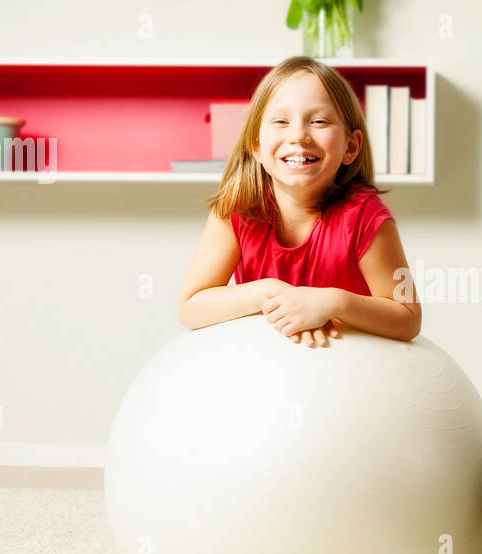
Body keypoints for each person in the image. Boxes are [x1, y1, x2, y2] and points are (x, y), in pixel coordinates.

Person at [177, 56, 420, 346]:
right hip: (266, 371)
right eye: (281, 121)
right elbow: (191, 306)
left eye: (319, 121)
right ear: (255, 145)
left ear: (350, 146)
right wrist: (272, 291)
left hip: (349, 376)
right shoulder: (235, 209)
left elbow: (408, 317)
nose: (298, 136)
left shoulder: (366, 216)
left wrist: (332, 302)